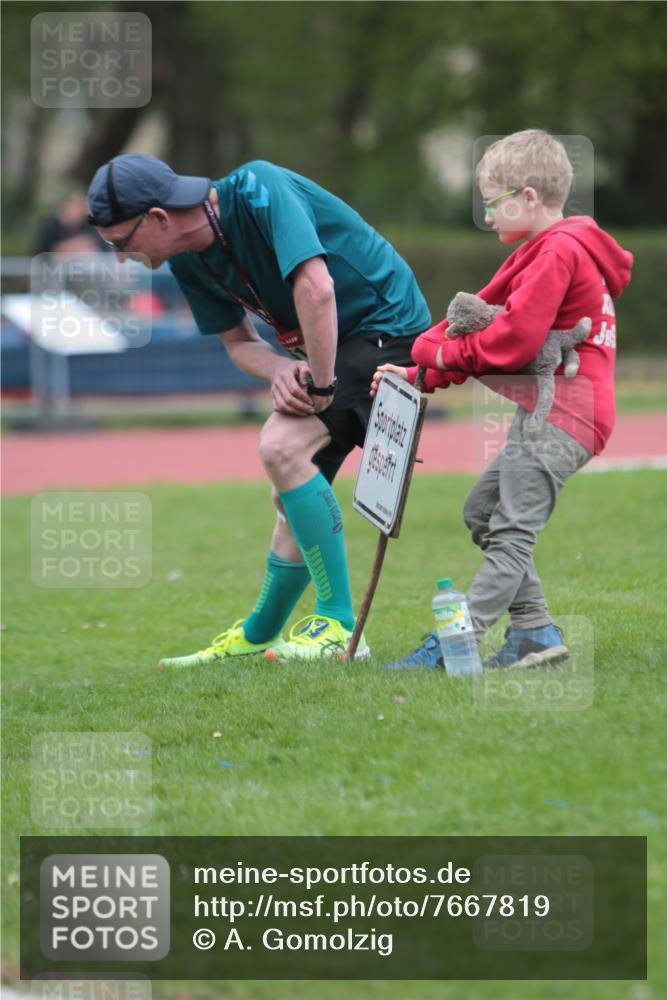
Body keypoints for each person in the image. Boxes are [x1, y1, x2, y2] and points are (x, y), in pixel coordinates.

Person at [87, 154, 431, 665]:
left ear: (158, 218)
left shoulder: (258, 188)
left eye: (121, 243)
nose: (121, 257)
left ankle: (338, 626)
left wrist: (319, 381)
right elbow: (238, 344)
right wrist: (280, 371)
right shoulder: (186, 258)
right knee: (291, 492)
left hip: (390, 329)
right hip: (334, 348)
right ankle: (259, 636)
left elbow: (317, 289)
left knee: (282, 445)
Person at [371, 129, 633, 670]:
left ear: (530, 197)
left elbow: (515, 341)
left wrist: (439, 359)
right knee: (482, 511)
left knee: (511, 531)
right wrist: (419, 372)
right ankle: (535, 632)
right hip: (553, 410)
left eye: (493, 203)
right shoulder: (551, 249)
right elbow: (489, 330)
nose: (487, 217)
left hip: (563, 414)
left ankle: (453, 645)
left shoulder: (558, 251)